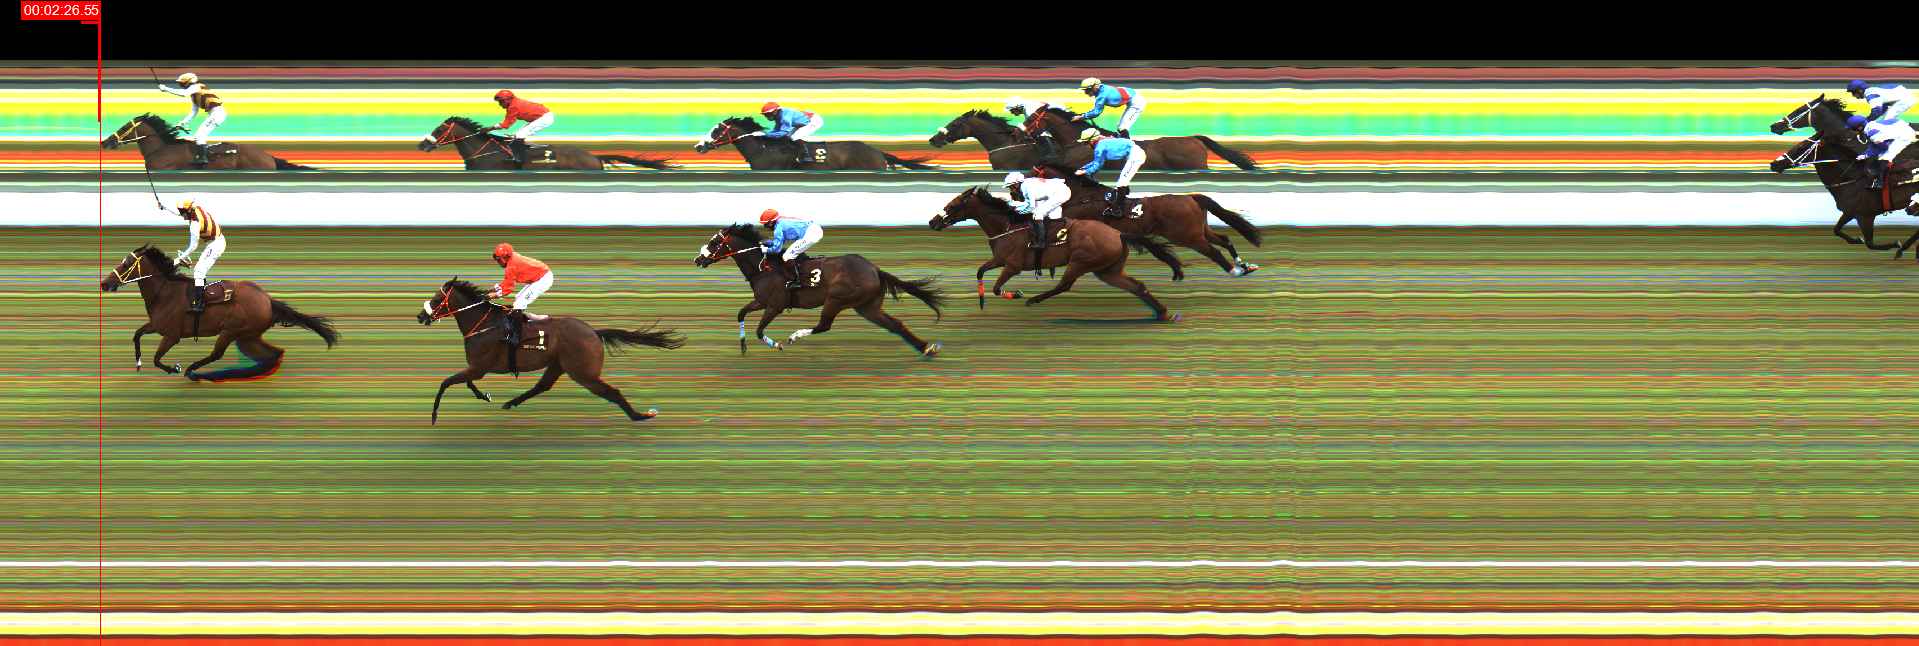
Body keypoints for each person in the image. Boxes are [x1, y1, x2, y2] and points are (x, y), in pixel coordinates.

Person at [488, 243, 553, 345]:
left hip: (542, 279)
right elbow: (506, 282)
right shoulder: (512, 259)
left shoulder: (511, 267)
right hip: (540, 276)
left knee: (519, 304)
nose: (498, 263)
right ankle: (533, 319)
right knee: (518, 298)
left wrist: (491, 297)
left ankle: (516, 337)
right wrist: (489, 290)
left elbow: (507, 290)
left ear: (505, 258)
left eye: (498, 260)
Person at [170, 197, 226, 313]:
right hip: (216, 241)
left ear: (189, 211)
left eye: (182, 212)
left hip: (216, 244)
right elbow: (181, 213)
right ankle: (202, 295)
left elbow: (193, 247)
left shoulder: (195, 225)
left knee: (199, 272)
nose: (181, 215)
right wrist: (164, 208)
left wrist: (179, 259)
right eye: (180, 212)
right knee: (198, 270)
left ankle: (199, 305)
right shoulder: (196, 209)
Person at [156, 72, 225, 165]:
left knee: (199, 135)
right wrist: (181, 123)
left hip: (217, 113)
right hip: (215, 113)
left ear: (187, 83)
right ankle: (202, 155)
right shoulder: (194, 95)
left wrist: (166, 89)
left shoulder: (196, 87)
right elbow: (193, 112)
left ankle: (203, 158)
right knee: (199, 135)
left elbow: (184, 94)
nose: (180, 85)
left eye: (181, 83)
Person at [1075, 130, 1148, 215]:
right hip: (1134, 153)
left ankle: (1119, 210)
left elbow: (1098, 165)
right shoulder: (1101, 140)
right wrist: (1084, 167)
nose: (1084, 145)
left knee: (1121, 183)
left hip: (1136, 157)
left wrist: (1084, 172)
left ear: (1092, 141)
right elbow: (1096, 162)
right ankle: (1126, 200)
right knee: (1123, 181)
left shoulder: (1099, 147)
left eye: (1085, 143)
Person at [480, 90, 553, 164]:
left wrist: (489, 128)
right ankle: (524, 151)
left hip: (544, 118)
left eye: (501, 101)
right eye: (499, 102)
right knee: (516, 135)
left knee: (520, 135)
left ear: (508, 99)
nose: (500, 104)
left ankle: (520, 158)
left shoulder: (513, 106)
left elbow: (506, 124)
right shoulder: (514, 103)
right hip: (541, 116)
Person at [1004, 171, 1072, 250]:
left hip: (1060, 193)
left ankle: (1041, 243)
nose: (1011, 190)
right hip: (1057, 192)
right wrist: (1013, 204)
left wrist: (1016, 210)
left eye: (1011, 187)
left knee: (1037, 214)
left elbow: (1031, 207)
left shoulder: (1026, 187)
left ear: (1016, 184)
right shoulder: (1026, 184)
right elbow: (1029, 203)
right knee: (1045, 213)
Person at [759, 209, 822, 289]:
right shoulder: (781, 221)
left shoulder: (778, 228)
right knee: (793, 250)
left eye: (765, 224)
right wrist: (767, 243)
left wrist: (766, 250)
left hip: (811, 234)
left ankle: (797, 281)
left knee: (787, 256)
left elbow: (776, 250)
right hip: (814, 230)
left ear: (771, 223)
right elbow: (780, 241)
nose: (765, 227)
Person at [1850, 114, 1915, 190]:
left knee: (1885, 157)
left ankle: (1880, 182)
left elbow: (1883, 147)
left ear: (1860, 128)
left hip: (1905, 135)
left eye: (1853, 129)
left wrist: (1866, 156)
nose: (1852, 131)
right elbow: (1873, 145)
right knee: (1880, 155)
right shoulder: (1870, 126)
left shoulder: (1872, 133)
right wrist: (1864, 155)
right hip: (1897, 129)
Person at [1075, 78, 1144, 138]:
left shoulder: (1102, 96)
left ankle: (1128, 145)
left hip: (1136, 102)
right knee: (1120, 126)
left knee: (1122, 127)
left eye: (1087, 90)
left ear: (1094, 88)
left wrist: (1082, 117)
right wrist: (1084, 115)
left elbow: (1096, 112)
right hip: (1133, 97)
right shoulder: (1101, 89)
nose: (1085, 93)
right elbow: (1095, 110)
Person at [1849, 80, 1916, 125]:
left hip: (1905, 99)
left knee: (1885, 121)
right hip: (1905, 96)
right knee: (1883, 121)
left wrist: (1865, 121)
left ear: (1860, 91)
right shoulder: (1872, 92)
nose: (1853, 95)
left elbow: (1876, 112)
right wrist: (1868, 120)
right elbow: (1882, 109)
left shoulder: (1870, 96)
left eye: (1853, 92)